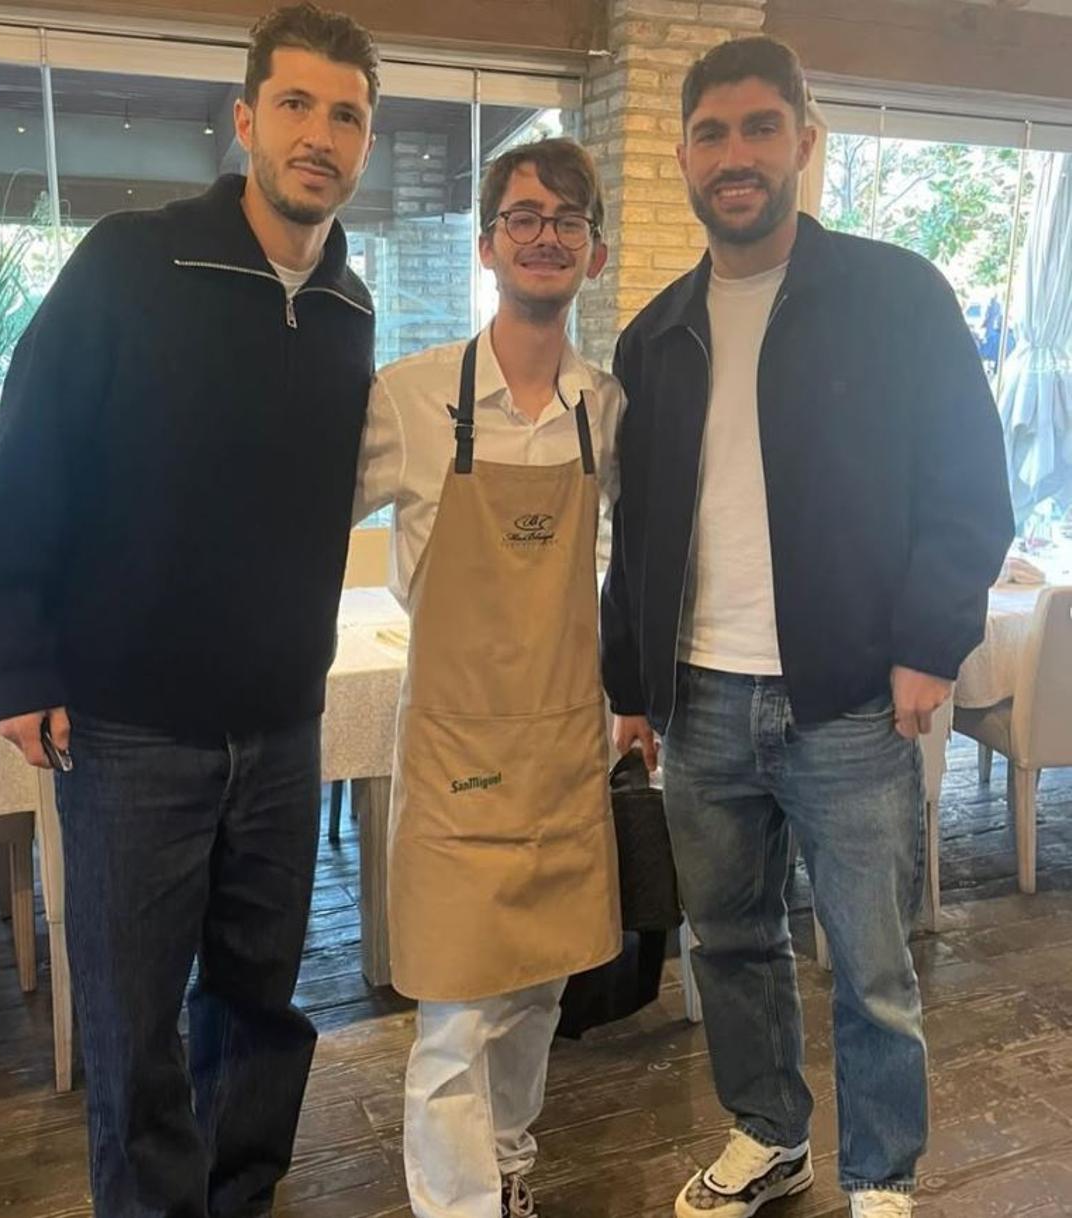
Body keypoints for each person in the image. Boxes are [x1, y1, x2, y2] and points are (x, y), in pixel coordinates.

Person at [0, 5, 379, 1215]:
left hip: (284, 729)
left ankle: (242, 1193)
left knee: (261, 1005)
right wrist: (20, 660)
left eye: (345, 114)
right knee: (134, 1027)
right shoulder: (133, 261)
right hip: (132, 731)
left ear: (362, 143)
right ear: (247, 119)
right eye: (295, 105)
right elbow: (29, 453)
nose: (320, 134)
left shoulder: (351, 313)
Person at [604, 36, 1014, 1218]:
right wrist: (629, 682)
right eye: (715, 133)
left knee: (873, 967)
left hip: (846, 701)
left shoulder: (896, 296)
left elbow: (966, 486)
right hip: (699, 701)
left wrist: (931, 642)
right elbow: (638, 539)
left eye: (759, 129)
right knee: (727, 947)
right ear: (686, 155)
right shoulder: (655, 336)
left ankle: (882, 1174)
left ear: (804, 143)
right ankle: (768, 1133)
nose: (737, 156)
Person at [355, 137, 624, 1218]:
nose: (545, 233)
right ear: (488, 245)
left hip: (563, 739)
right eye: (523, 215)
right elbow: (288, 522)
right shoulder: (410, 400)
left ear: (593, 253)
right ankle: (458, 1205)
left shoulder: (608, 409)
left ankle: (511, 1160)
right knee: (457, 1012)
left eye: (567, 218)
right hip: (458, 746)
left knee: (541, 986)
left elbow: (645, 562)